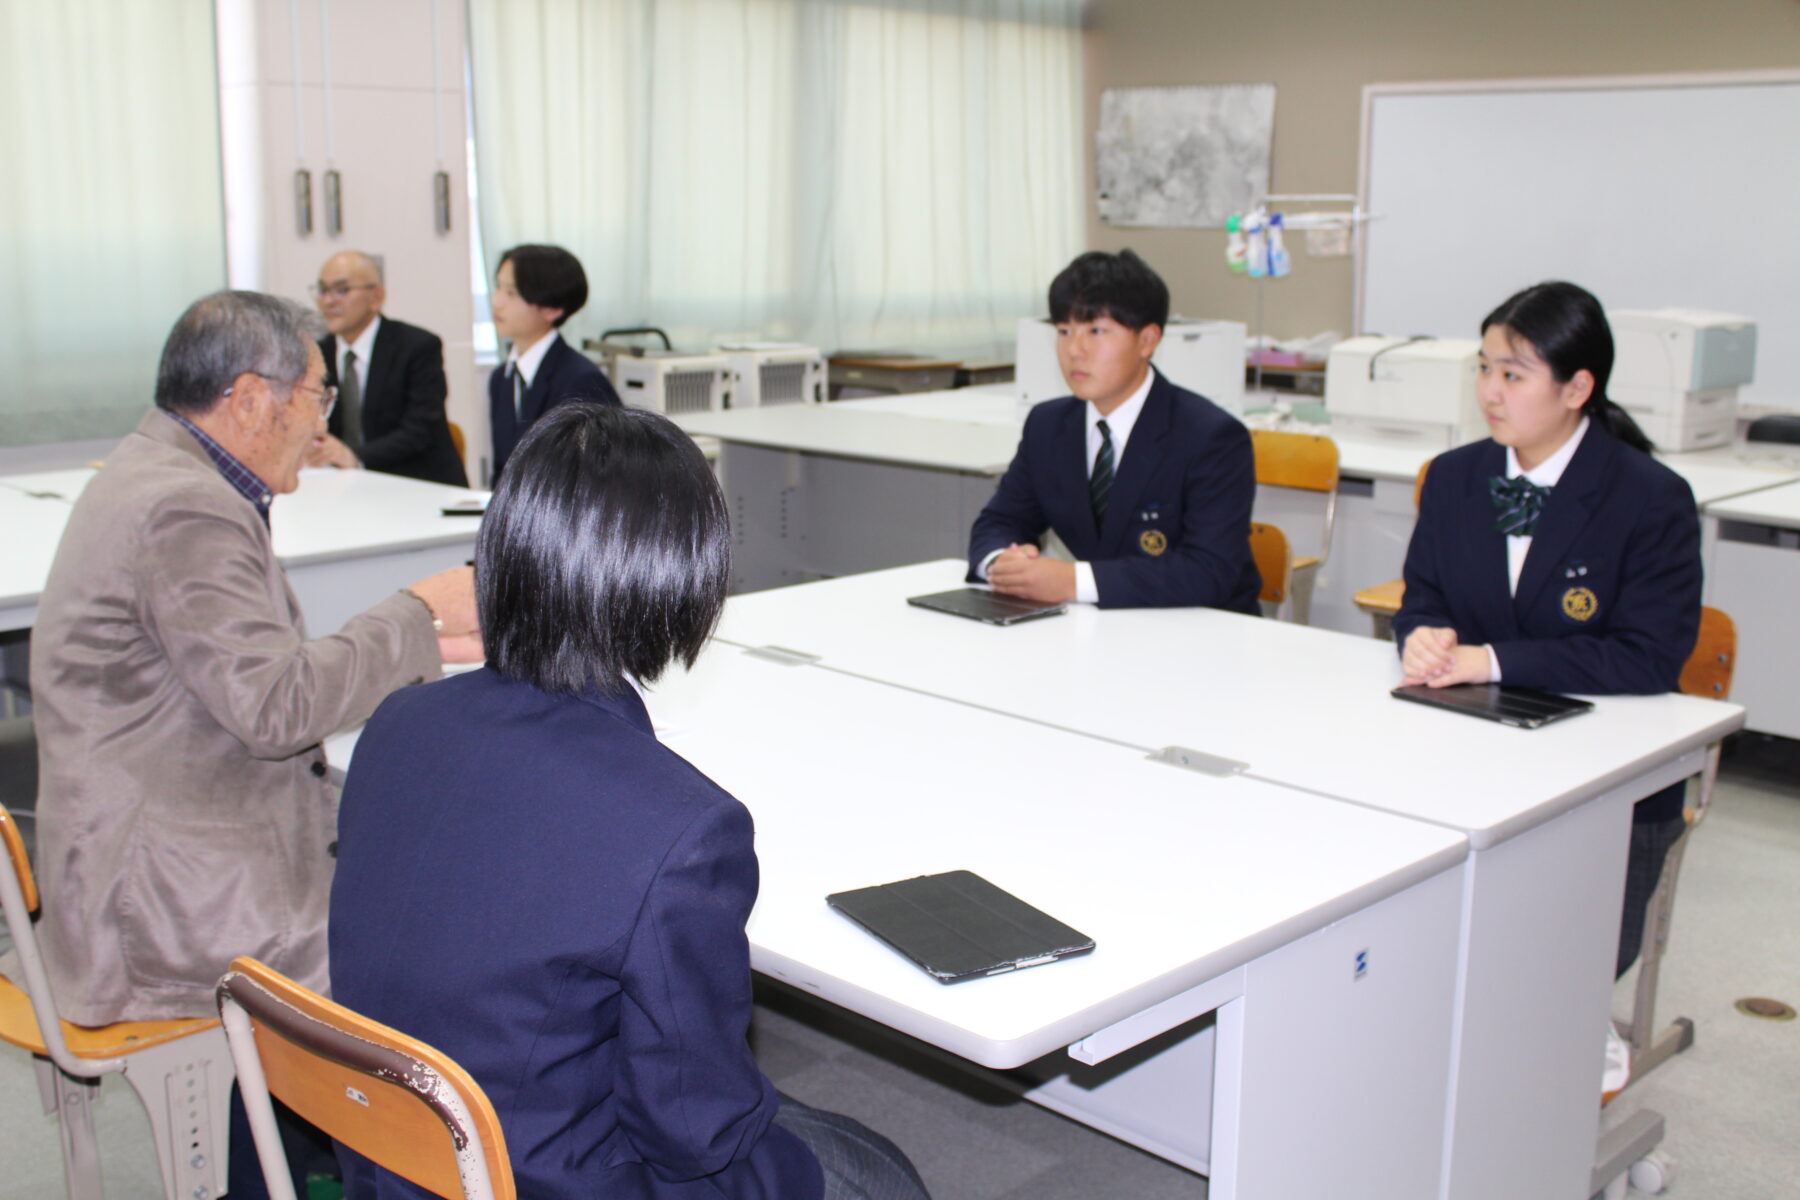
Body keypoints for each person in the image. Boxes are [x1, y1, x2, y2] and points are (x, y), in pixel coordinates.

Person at [329, 403, 931, 1200]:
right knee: (879, 1173)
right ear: (679, 582)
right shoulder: (678, 828)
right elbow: (694, 1131)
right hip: (539, 1177)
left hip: (392, 1154)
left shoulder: (399, 723)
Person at [23, 291, 482, 1197]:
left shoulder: (159, 470)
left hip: (138, 835)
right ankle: (348, 1163)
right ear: (247, 397)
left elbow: (238, 671)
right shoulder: (184, 512)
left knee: (394, 864)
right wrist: (417, 611)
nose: (323, 425)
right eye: (315, 398)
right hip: (163, 895)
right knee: (419, 934)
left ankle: (299, 1153)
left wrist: (419, 640)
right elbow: (275, 708)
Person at [1392, 280, 1701, 993]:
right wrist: (1423, 636)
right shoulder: (1454, 476)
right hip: (1470, 749)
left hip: (1606, 766)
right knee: (1433, 939)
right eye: (1484, 368)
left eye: (1513, 374)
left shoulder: (1650, 497)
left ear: (1576, 388)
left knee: (1562, 967)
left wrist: (1490, 660)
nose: (1490, 392)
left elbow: (1648, 655)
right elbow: (1425, 594)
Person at [966, 249, 1261, 611]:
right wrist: (1002, 564)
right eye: (1063, 331)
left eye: (1097, 331)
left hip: (1200, 634)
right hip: (1100, 631)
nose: (1075, 350)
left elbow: (1209, 571)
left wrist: (1072, 581)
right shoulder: (1048, 425)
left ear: (1147, 340)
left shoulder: (1211, 436)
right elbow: (1000, 520)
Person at [306, 250, 469, 486]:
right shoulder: (318, 352)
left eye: (342, 290)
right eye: (323, 290)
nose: (328, 301)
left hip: (418, 483)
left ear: (376, 297)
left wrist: (354, 457)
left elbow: (420, 429)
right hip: (346, 485)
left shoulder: (417, 346)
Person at [486, 243, 620, 481]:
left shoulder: (581, 380)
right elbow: (503, 471)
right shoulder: (501, 378)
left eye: (511, 293)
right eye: (498, 287)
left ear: (552, 309)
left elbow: (600, 476)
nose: (497, 302)